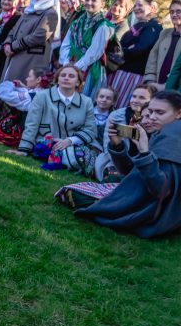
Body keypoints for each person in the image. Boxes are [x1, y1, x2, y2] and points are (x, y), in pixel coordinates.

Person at [72, 91, 181, 238]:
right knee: (111, 178)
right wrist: (117, 144)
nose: (152, 118)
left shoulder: (171, 137)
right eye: (150, 113)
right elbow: (132, 173)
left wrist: (144, 152)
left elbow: (161, 190)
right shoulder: (166, 132)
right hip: (166, 212)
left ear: (178, 113)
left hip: (155, 213)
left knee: (77, 192)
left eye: (160, 113)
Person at [13, 64, 97, 173]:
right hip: (46, 145)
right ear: (57, 80)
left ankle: (67, 159)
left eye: (71, 76)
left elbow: (91, 129)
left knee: (82, 155)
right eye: (63, 75)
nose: (66, 78)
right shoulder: (42, 96)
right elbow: (31, 124)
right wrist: (24, 149)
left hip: (73, 145)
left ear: (78, 82)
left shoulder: (86, 102)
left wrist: (69, 141)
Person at [1, 0, 61, 83]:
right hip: (14, 54)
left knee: (22, 90)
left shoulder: (50, 13)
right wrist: (7, 44)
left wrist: (13, 46)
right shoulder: (29, 9)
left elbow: (39, 36)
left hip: (31, 59)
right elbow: (14, 29)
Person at [59, 0, 114, 97]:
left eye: (93, 0)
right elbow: (66, 44)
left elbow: (94, 53)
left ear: (102, 4)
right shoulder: (77, 22)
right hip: (71, 62)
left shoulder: (103, 26)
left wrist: (76, 68)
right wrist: (66, 63)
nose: (89, 3)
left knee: (79, 100)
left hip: (88, 67)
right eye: (87, 0)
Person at [110, 0, 162, 108]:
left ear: (152, 8)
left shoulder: (154, 27)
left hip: (131, 75)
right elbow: (124, 46)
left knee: (119, 106)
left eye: (140, 5)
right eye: (135, 5)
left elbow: (139, 49)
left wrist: (122, 49)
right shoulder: (139, 25)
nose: (136, 8)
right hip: (121, 71)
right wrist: (125, 48)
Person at [0, 67, 46, 147]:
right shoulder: (40, 93)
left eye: (29, 76)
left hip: (24, 132)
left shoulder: (32, 96)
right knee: (5, 101)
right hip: (28, 129)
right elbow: (22, 92)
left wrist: (12, 84)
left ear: (38, 80)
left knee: (4, 102)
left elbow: (7, 94)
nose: (26, 79)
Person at [144, 0, 181, 91]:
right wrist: (150, 81)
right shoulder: (164, 33)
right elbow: (153, 57)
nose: (174, 14)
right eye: (172, 12)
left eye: (178, 11)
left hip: (175, 88)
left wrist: (169, 85)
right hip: (155, 85)